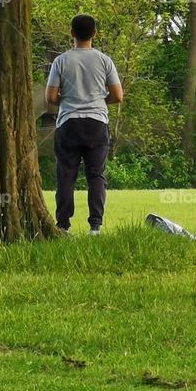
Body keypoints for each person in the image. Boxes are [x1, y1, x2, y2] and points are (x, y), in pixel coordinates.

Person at [45, 14, 123, 236]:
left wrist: (68, 102)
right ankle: (95, 226)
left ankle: (63, 226)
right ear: (94, 34)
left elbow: (50, 97)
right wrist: (98, 101)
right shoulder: (104, 60)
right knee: (96, 175)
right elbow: (118, 96)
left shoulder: (61, 61)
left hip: (68, 124)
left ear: (71, 34)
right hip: (97, 124)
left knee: (66, 176)